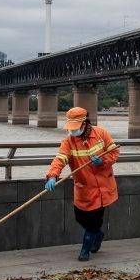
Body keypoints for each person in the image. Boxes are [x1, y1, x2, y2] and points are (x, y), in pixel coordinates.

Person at [44, 107, 120, 261]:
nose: (73, 132)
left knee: (93, 221)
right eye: (71, 128)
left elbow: (114, 152)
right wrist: (53, 176)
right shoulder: (68, 142)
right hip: (84, 187)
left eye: (76, 128)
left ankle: (85, 250)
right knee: (81, 218)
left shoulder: (101, 134)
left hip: (103, 187)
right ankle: (98, 235)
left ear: (85, 123)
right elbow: (60, 159)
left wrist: (102, 161)